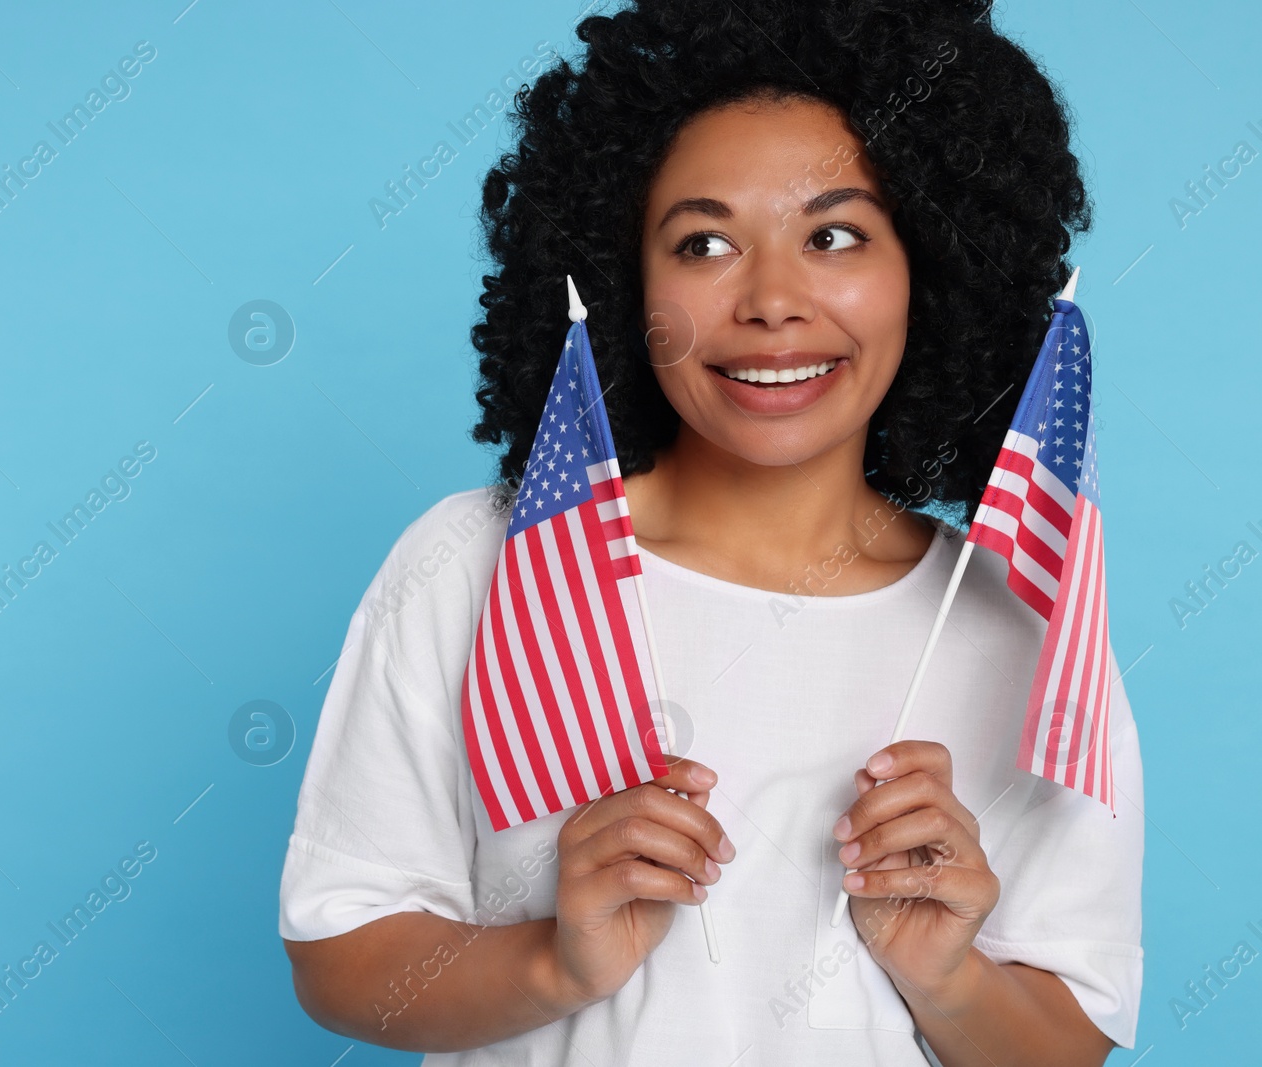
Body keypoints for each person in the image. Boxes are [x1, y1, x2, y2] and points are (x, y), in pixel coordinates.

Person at [279, 1, 1143, 1063]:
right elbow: (338, 958)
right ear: (620, 281)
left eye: (833, 235)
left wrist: (946, 973)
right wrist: (557, 961)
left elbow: (1072, 1041)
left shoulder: (1021, 626)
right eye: (704, 242)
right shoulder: (478, 564)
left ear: (931, 266)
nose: (771, 299)